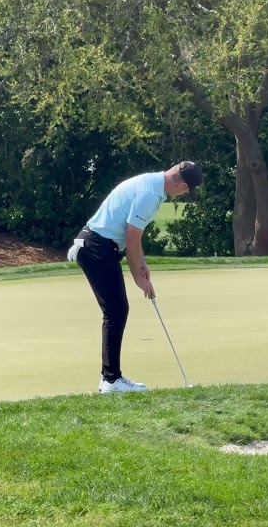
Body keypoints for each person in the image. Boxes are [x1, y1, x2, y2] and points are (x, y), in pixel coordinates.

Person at [67, 161, 203, 393]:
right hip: (96, 247)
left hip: (100, 245)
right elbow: (132, 239)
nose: (183, 195)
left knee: (117, 310)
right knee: (116, 310)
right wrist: (138, 278)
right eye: (186, 192)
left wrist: (143, 265)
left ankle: (109, 379)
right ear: (181, 185)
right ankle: (111, 380)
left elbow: (133, 241)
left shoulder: (154, 185)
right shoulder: (150, 194)